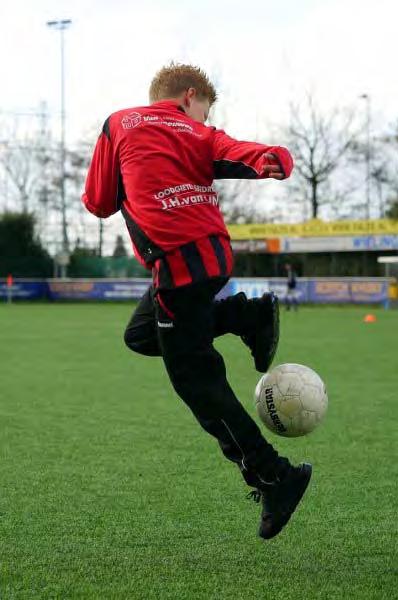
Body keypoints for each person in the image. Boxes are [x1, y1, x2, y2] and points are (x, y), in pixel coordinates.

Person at [82, 63, 312, 540]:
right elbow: (246, 154)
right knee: (142, 335)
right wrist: (275, 158)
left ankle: (274, 475)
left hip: (178, 268)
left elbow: (98, 202)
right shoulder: (197, 131)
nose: (205, 120)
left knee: (198, 384)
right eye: (205, 110)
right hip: (210, 257)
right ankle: (245, 314)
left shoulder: (119, 123)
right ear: (190, 97)